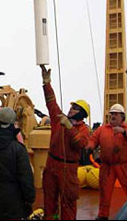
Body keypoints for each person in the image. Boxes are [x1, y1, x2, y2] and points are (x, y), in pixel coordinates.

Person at [40, 65, 90, 220]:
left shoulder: (84, 129)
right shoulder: (59, 119)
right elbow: (51, 102)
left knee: (68, 202)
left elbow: (80, 144)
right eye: (71, 107)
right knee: (49, 201)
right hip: (52, 164)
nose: (71, 109)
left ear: (81, 113)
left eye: (75, 108)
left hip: (68, 169)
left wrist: (68, 127)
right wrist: (46, 83)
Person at [85, 103, 127, 220]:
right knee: (104, 191)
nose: (113, 116)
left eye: (115, 114)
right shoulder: (102, 129)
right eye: (111, 114)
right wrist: (89, 147)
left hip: (124, 165)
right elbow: (93, 139)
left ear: (122, 117)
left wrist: (123, 132)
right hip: (107, 166)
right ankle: (103, 215)